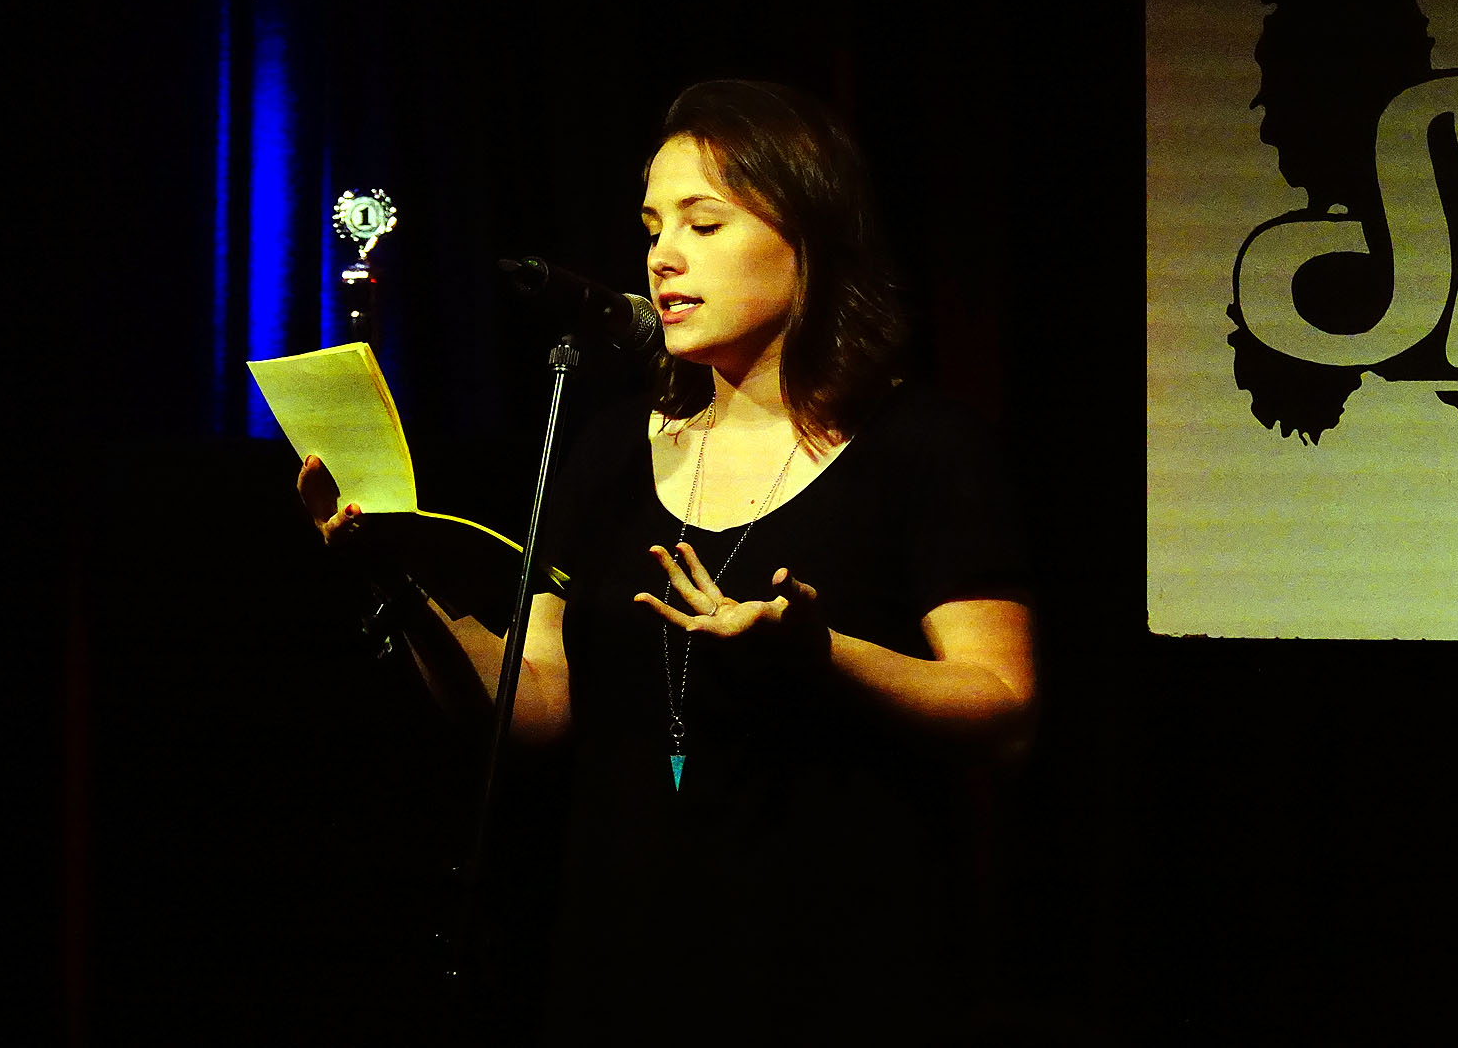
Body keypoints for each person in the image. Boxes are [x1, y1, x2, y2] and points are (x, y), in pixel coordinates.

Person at [299, 80, 1037, 1043]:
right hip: (626, 957)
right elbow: (538, 706)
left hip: (838, 964)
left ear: (809, 237)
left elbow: (1003, 704)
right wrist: (399, 582)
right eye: (653, 228)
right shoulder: (611, 447)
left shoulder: (924, 445)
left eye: (704, 223)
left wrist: (821, 652)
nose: (663, 256)